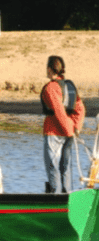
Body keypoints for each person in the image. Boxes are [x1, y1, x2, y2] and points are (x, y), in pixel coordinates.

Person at [41, 55, 86, 193]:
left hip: (54, 133)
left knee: (53, 167)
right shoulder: (69, 86)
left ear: (49, 69)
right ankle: (67, 197)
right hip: (70, 133)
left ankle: (57, 199)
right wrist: (76, 128)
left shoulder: (51, 88)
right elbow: (80, 108)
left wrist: (69, 130)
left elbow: (59, 111)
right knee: (66, 168)